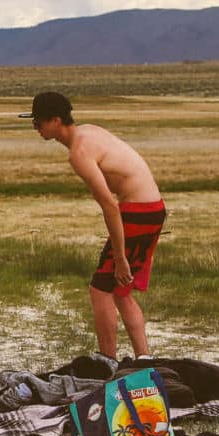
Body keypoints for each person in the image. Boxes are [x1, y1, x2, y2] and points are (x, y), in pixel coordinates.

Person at [23, 91, 166, 360]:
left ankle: (107, 363)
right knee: (121, 291)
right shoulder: (89, 131)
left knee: (100, 290)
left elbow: (110, 206)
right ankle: (144, 360)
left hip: (137, 212)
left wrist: (121, 257)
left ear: (56, 121)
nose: (36, 129)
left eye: (38, 123)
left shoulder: (79, 153)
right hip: (153, 208)